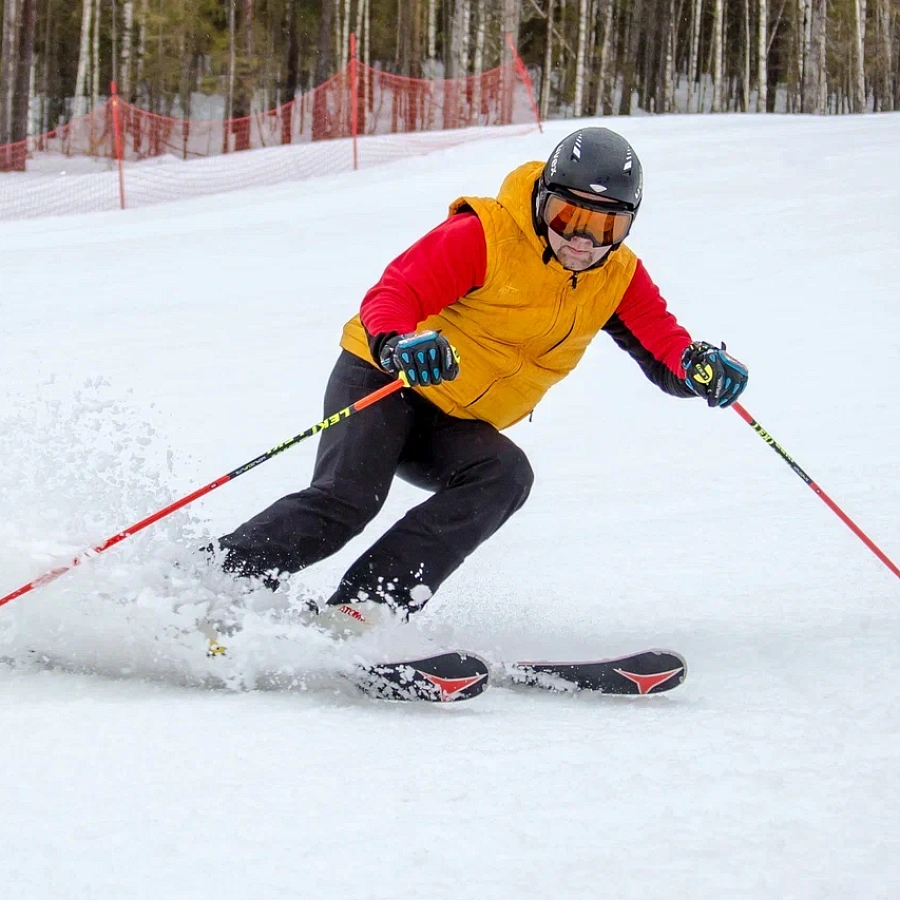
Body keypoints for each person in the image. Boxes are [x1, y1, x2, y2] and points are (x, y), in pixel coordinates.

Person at [216, 127, 748, 634]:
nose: (582, 240)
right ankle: (216, 580)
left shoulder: (618, 277)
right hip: (387, 379)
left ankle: (366, 607)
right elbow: (394, 293)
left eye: (606, 228)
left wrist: (698, 368)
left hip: (455, 418)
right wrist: (398, 343)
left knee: (504, 474)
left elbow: (664, 345)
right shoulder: (487, 235)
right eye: (566, 216)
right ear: (542, 200)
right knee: (349, 499)